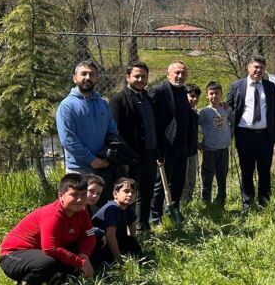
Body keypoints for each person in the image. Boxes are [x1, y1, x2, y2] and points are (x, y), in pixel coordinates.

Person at [0, 173, 96, 285]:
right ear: (61, 195)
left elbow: (88, 236)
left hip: (41, 251)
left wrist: (84, 255)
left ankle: (58, 281)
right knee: (47, 262)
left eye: (83, 195)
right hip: (12, 256)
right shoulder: (52, 215)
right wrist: (80, 262)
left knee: (97, 245)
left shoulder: (82, 212)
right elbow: (51, 248)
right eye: (74, 195)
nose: (79, 199)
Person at [227, 55, 275, 212]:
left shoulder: (269, 87)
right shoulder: (237, 86)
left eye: (261, 68)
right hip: (244, 135)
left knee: (264, 171)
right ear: (248, 67)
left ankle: (264, 202)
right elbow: (228, 109)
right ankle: (247, 203)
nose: (258, 70)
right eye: (255, 67)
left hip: (265, 137)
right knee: (246, 171)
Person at [55, 60, 119, 206]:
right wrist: (91, 159)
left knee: (102, 209)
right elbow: (68, 139)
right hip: (79, 167)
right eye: (83, 74)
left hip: (102, 166)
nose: (87, 77)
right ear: (75, 78)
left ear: (96, 78)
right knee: (78, 207)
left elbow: (112, 132)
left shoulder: (102, 103)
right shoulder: (67, 106)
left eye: (92, 74)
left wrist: (108, 156)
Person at [109, 61, 159, 232]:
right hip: (130, 158)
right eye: (136, 76)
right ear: (127, 77)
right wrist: (125, 157)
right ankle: (125, 231)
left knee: (146, 193)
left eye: (143, 76)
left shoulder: (149, 98)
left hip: (150, 155)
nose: (140, 79)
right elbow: (114, 132)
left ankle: (143, 225)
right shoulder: (118, 100)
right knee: (128, 195)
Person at [149, 62, 198, 224]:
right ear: (168, 73)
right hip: (165, 147)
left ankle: (173, 209)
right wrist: (157, 148)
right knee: (159, 183)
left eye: (183, 73)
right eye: (177, 72)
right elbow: (152, 122)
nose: (180, 76)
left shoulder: (183, 92)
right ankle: (154, 216)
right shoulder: (159, 91)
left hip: (181, 147)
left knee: (178, 181)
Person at [91, 178, 143, 265]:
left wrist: (129, 245)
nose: (130, 194)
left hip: (116, 239)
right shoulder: (112, 209)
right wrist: (119, 260)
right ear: (115, 194)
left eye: (133, 192)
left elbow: (132, 227)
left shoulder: (128, 207)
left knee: (134, 246)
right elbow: (110, 236)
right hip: (101, 243)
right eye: (126, 191)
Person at [198, 81, 233, 206]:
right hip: (209, 149)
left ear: (221, 94)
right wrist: (198, 143)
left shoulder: (227, 110)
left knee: (222, 176)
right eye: (211, 93)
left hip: (223, 148)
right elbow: (193, 127)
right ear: (207, 95)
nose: (214, 96)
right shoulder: (203, 112)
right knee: (207, 177)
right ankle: (206, 203)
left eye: (217, 93)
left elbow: (231, 124)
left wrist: (230, 138)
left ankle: (220, 202)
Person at [181, 84, 201, 204]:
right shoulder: (182, 111)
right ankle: (182, 203)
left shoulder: (194, 112)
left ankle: (189, 202)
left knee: (192, 179)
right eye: (192, 96)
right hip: (183, 152)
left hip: (193, 150)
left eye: (197, 97)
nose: (194, 99)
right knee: (184, 182)